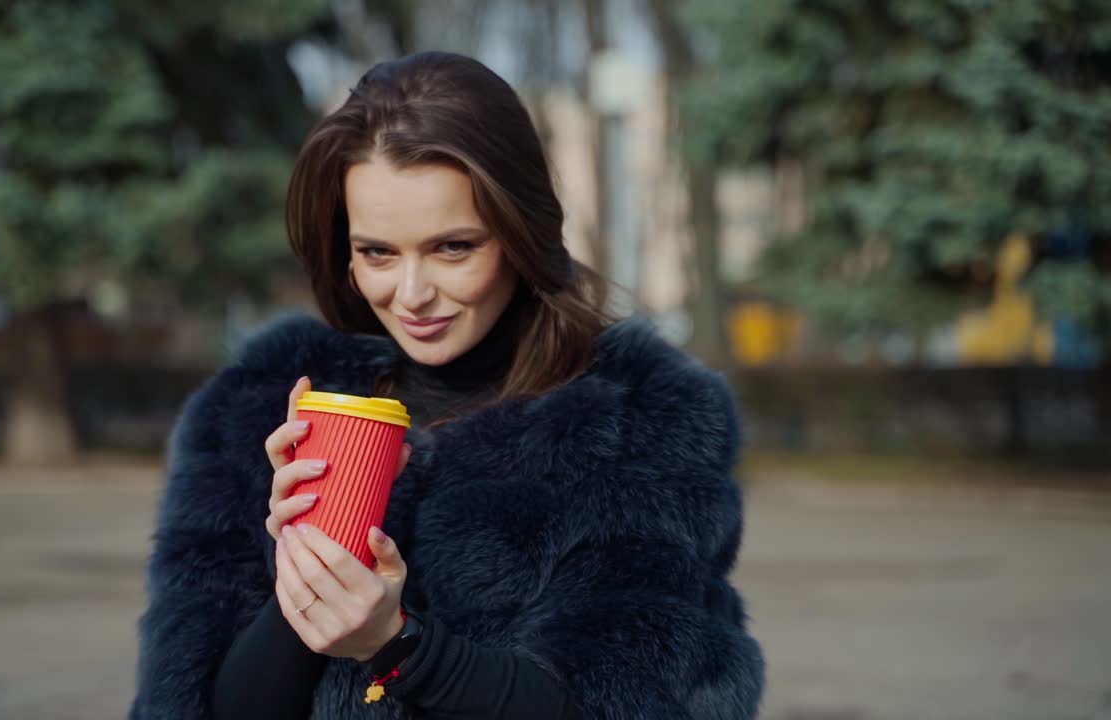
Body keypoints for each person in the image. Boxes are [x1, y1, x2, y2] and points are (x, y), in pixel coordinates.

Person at [130, 51, 763, 720]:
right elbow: (197, 705)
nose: (411, 295)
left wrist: (395, 644)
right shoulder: (259, 410)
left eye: (453, 247)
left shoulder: (636, 421)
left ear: (521, 233)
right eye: (377, 252)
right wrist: (310, 569)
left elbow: (618, 702)